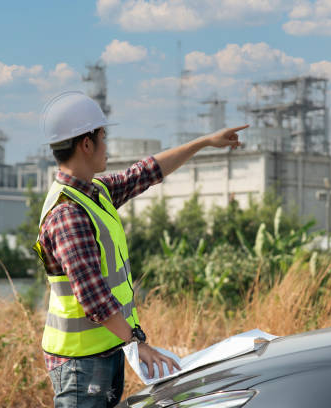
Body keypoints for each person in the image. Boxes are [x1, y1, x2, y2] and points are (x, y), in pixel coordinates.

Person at [35, 91, 248, 408]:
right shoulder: (68, 213)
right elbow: (92, 296)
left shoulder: (96, 192)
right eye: (103, 137)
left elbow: (146, 171)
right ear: (86, 144)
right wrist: (137, 343)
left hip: (105, 351)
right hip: (81, 363)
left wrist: (204, 142)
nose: (108, 146)